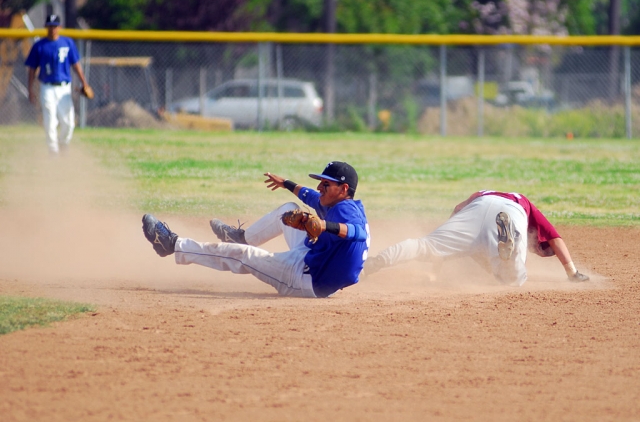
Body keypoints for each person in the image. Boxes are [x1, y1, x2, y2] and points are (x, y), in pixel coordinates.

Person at [142, 161, 370, 298]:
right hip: (312, 258)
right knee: (289, 210)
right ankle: (241, 237)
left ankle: (172, 245)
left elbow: (358, 233)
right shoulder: (340, 204)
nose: (320, 187)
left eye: (326, 184)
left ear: (344, 188)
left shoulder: (345, 213)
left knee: (244, 256)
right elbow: (310, 196)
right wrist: (287, 183)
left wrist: (322, 225)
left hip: (305, 281)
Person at [364, 190, 589, 286]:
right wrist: (573, 273)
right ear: (536, 242)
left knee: (426, 246)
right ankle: (508, 253)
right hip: (510, 211)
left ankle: (374, 263)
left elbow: (457, 208)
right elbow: (557, 240)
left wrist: (437, 261)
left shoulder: (483, 192)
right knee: (514, 279)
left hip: (475, 208)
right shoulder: (525, 206)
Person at [25, 14, 90, 155]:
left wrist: (84, 82)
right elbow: (32, 69)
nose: (52, 29)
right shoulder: (39, 46)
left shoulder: (68, 43)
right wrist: (30, 89)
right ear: (45, 27)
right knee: (50, 118)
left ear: (59, 27)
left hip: (64, 88)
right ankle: (53, 150)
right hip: (46, 87)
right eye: (49, 26)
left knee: (68, 122)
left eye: (54, 26)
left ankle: (63, 143)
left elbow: (76, 65)